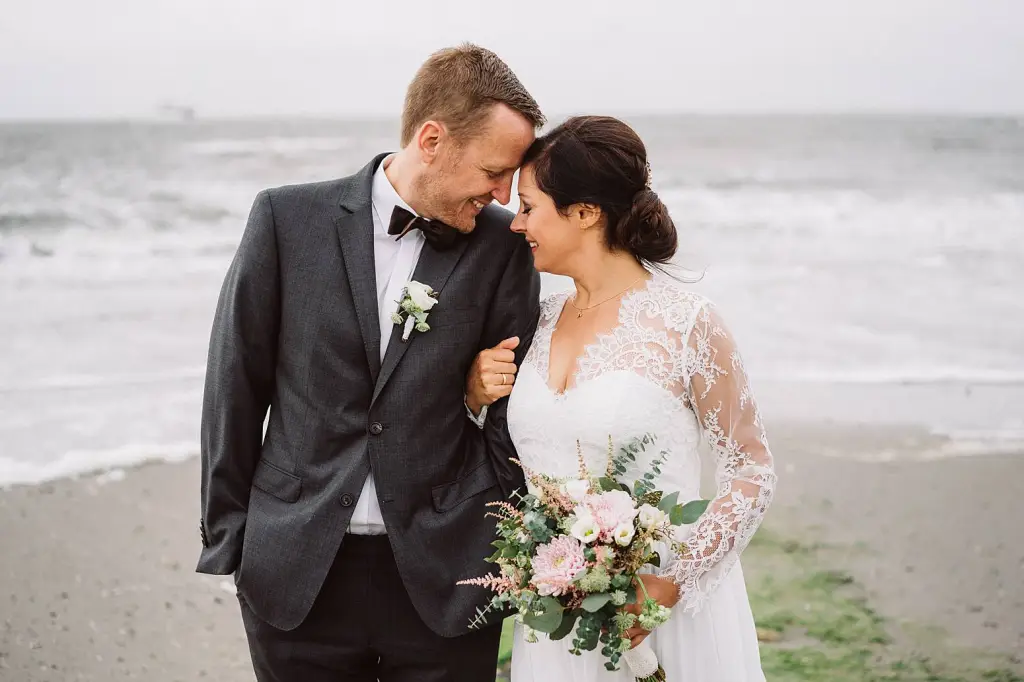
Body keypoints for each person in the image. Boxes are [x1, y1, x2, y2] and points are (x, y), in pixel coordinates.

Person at [197, 43, 544, 681]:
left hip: (448, 578)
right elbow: (234, 384)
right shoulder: (285, 219)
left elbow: (512, 412)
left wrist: (507, 544)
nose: (503, 193)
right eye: (495, 171)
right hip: (296, 572)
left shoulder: (505, 246)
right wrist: (232, 540)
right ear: (432, 140)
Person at [467, 115, 776, 680]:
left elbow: (751, 470)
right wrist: (474, 394)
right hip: (560, 623)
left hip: (665, 610)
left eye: (529, 206)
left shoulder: (688, 324)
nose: (516, 223)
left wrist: (673, 581)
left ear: (585, 212)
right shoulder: (534, 322)